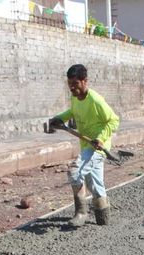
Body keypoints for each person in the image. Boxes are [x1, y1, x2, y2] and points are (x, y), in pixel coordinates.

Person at [48, 64, 120, 227]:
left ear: (85, 81)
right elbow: (73, 112)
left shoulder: (95, 100)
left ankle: (81, 212)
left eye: (75, 84)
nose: (72, 88)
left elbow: (114, 120)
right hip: (86, 145)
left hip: (97, 148)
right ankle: (103, 218)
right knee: (94, 183)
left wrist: (101, 138)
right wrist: (59, 118)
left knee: (75, 171)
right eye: (70, 84)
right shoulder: (75, 98)